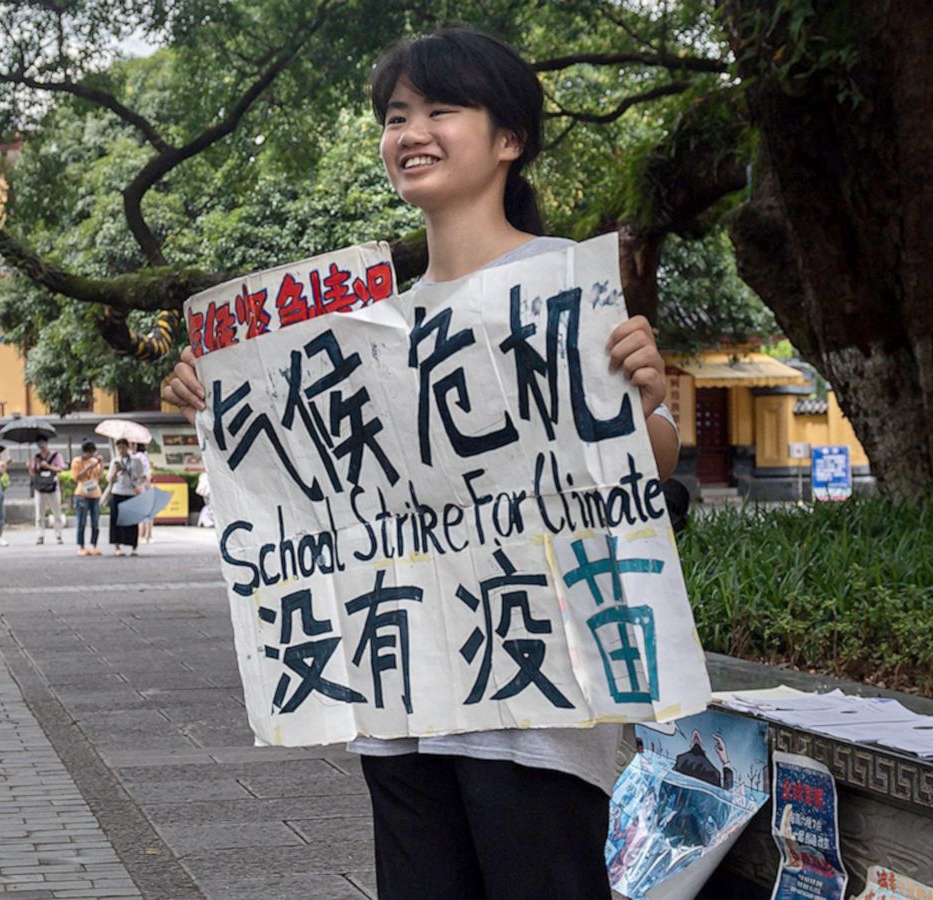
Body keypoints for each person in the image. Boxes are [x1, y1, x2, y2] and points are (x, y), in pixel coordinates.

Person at [162, 29, 679, 899]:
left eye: (442, 109)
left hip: (539, 693)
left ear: (509, 139)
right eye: (396, 116)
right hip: (401, 695)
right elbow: (314, 497)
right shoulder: (373, 328)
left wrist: (643, 396)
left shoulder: (564, 280)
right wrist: (221, 405)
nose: (411, 132)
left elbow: (643, 468)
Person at [106, 438, 145, 557]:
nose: (121, 450)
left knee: (132, 520)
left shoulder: (136, 461)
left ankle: (134, 546)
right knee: (115, 520)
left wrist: (134, 478)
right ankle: (117, 546)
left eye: (123, 448)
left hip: (131, 492)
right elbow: (109, 480)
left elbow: (141, 476)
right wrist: (115, 471)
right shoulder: (115, 461)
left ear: (127, 447)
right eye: (119, 448)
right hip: (117, 491)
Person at [29, 436, 66, 545]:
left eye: (43, 442)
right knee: (39, 514)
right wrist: (29, 467)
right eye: (39, 443)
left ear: (47, 442)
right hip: (40, 489)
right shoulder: (36, 457)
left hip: (53, 487)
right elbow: (33, 473)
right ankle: (40, 536)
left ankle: (58, 535)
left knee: (57, 512)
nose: (41, 445)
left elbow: (60, 469)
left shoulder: (56, 455)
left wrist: (48, 466)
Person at [69, 441, 104, 557]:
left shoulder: (94, 461)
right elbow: (76, 477)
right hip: (82, 494)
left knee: (95, 521)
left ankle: (94, 545)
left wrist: (101, 464)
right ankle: (81, 546)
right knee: (81, 521)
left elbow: (100, 476)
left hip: (95, 494)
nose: (91, 455)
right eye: (90, 452)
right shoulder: (77, 461)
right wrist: (88, 468)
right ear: (85, 452)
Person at [133, 442, 156, 544]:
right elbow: (148, 473)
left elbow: (139, 473)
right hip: (147, 486)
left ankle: (141, 536)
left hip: (141, 486)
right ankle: (149, 536)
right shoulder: (146, 457)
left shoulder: (137, 457)